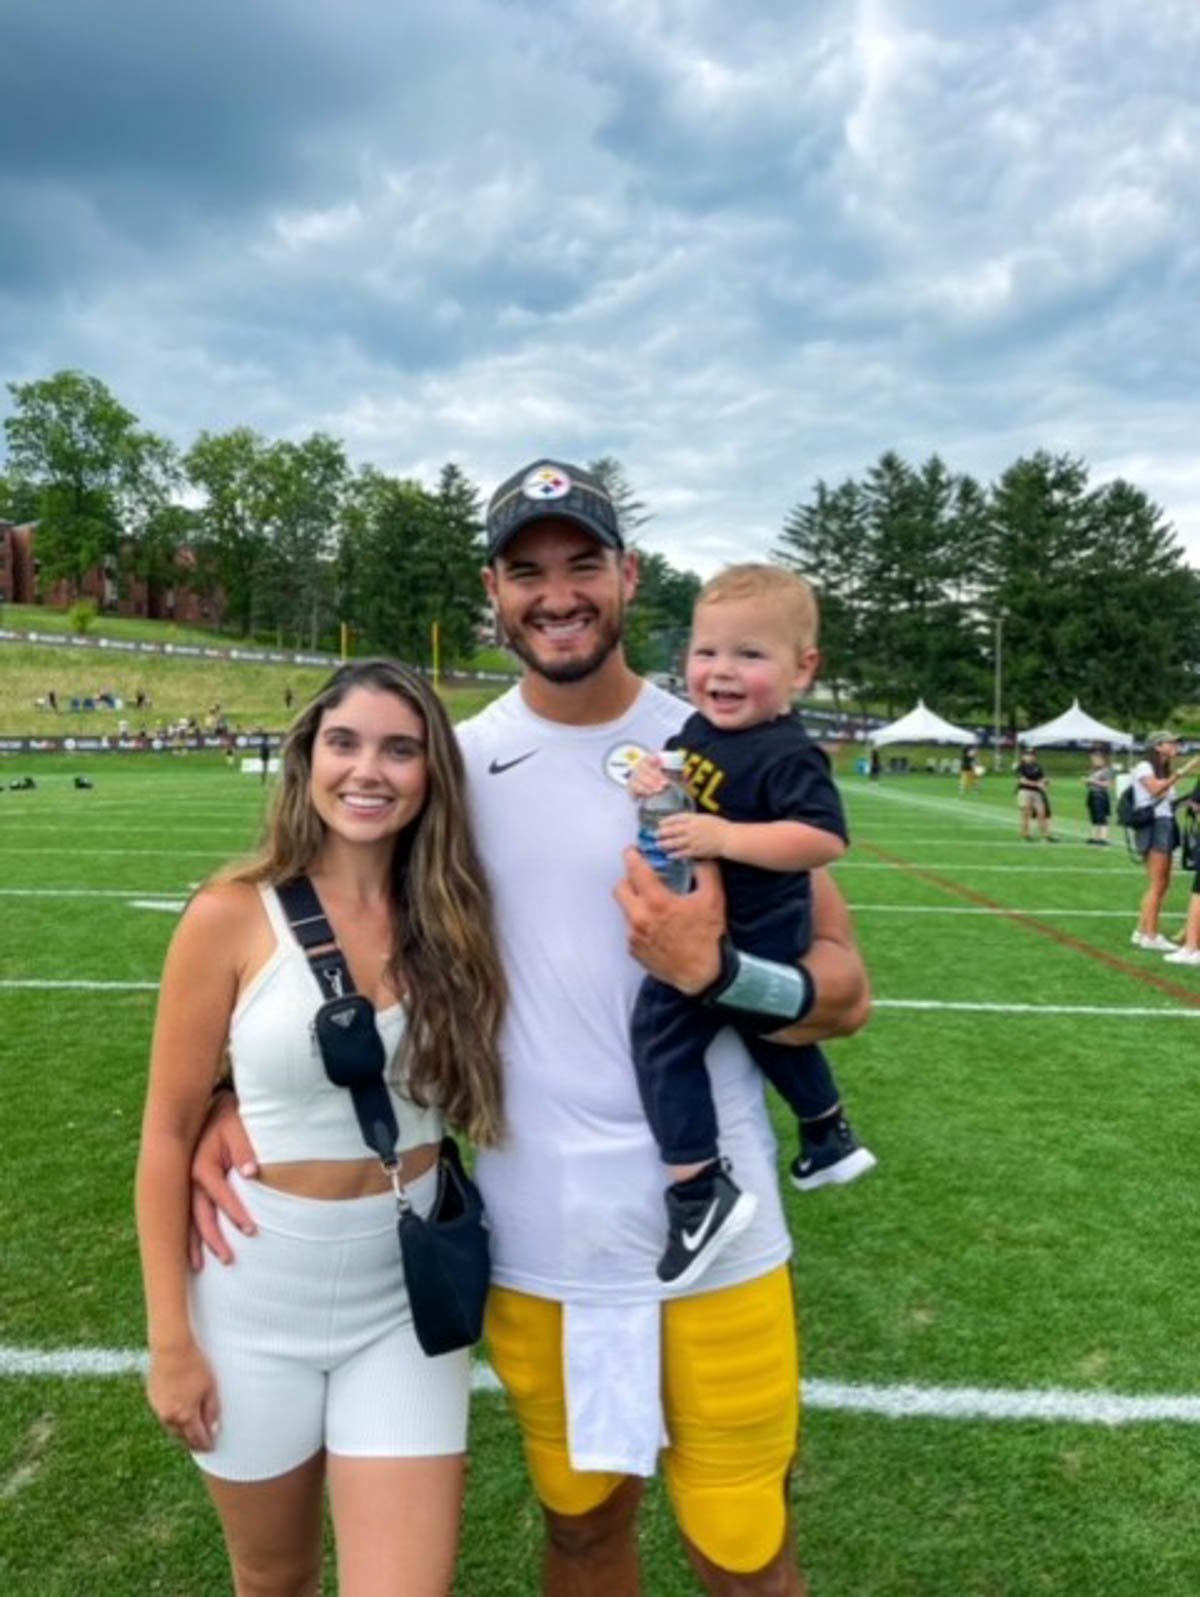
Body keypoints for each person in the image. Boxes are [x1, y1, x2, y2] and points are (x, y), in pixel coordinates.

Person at [191, 457, 871, 1597]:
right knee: (582, 1533)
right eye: (527, 571)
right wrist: (224, 1087)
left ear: (628, 576)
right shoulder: (451, 767)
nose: (557, 594)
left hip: (720, 1233)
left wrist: (723, 973)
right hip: (535, 1237)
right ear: (493, 594)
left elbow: (844, 991)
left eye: (582, 564)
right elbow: (321, 924)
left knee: (747, 1553)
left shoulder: (718, 741)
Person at [135, 659, 506, 1597]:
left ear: (431, 775)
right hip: (255, 1298)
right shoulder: (227, 915)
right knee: (275, 1579)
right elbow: (167, 1136)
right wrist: (171, 1341)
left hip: (404, 1298)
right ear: (307, 759)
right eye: (343, 742)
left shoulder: (458, 915)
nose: (367, 770)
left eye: (400, 748)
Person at [626, 564, 874, 1288]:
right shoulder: (701, 728)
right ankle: (826, 1129)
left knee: (661, 1038)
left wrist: (726, 838)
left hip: (755, 930)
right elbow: (677, 779)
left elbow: (824, 840)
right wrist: (650, 777)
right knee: (763, 1029)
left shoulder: (787, 749)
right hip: (723, 920)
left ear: (804, 669)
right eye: (707, 652)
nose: (721, 672)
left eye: (749, 655)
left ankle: (700, 1187)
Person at [1128, 730, 1200, 951]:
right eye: (1172, 743)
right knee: (1158, 883)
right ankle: (1150, 935)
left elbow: (1167, 799)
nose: (1177, 746)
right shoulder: (1145, 767)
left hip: (1164, 823)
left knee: (1162, 883)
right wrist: (1183, 771)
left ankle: (1142, 931)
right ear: (1158, 746)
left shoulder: (1162, 769)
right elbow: (1156, 789)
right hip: (1154, 826)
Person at [1015, 747, 1055, 841]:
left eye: (1032, 755)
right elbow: (1022, 781)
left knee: (1042, 813)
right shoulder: (1021, 766)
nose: (1030, 757)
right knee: (1026, 813)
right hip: (1025, 791)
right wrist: (1038, 784)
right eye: (1028, 755)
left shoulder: (1038, 766)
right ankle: (1026, 834)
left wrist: (1046, 781)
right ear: (1023, 756)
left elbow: (1043, 778)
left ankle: (1046, 835)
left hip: (1037, 792)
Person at [1082, 747, 1115, 845]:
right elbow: (1091, 783)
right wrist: (1087, 782)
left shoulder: (1106, 770)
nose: (1093, 761)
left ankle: (1103, 838)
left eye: (1095, 759)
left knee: (1101, 817)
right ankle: (1094, 837)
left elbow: (1108, 784)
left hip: (1100, 795)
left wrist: (1092, 781)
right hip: (1092, 794)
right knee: (1094, 817)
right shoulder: (1093, 770)